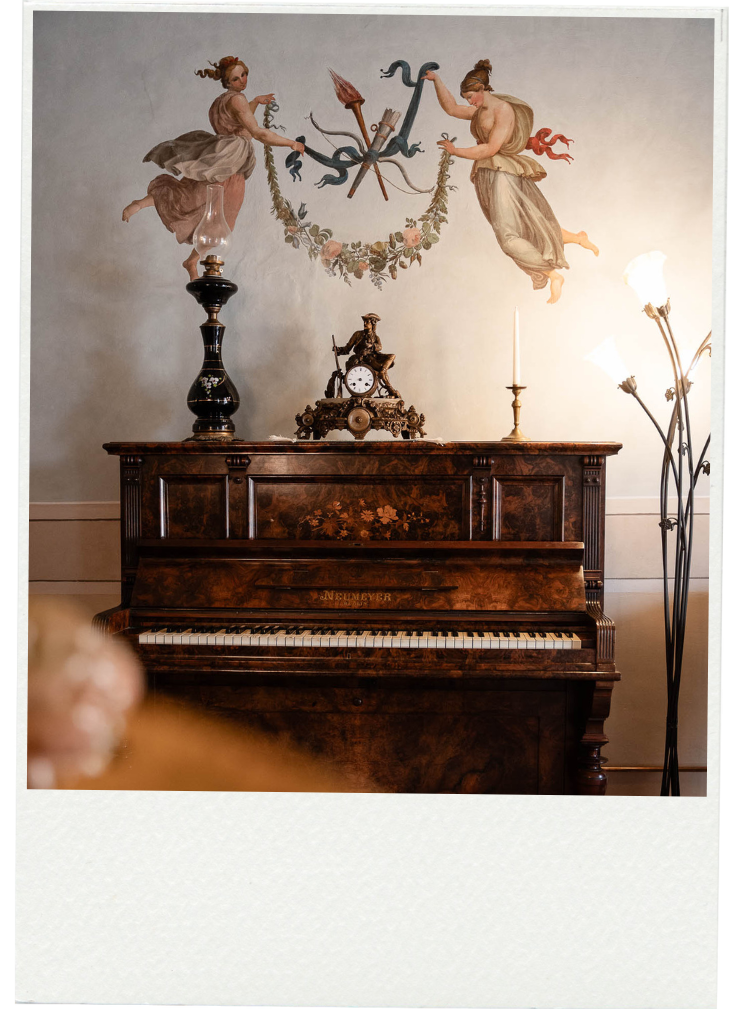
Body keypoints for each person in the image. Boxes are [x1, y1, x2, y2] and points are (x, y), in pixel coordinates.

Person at [425, 60, 598, 304]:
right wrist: (436, 81)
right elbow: (452, 108)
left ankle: (553, 275)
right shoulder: (480, 111)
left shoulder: (503, 110)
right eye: (467, 98)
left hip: (502, 172)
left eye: (471, 96)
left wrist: (456, 151)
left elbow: (491, 148)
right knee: (530, 223)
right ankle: (579, 238)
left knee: (508, 237)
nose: (470, 102)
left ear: (483, 89)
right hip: (489, 173)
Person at [122, 57, 304, 281]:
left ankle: (150, 213)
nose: (242, 81)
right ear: (227, 82)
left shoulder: (221, 101)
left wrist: (256, 102)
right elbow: (256, 133)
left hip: (222, 155)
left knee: (191, 194)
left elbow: (239, 122)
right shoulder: (237, 100)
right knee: (222, 219)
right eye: (235, 79)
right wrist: (291, 144)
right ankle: (190, 258)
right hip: (232, 162)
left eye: (243, 75)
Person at [337, 313, 400, 398]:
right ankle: (390, 389)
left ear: (373, 324)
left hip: (372, 358)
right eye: (364, 321)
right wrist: (339, 350)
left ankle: (383, 372)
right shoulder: (357, 334)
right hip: (361, 358)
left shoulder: (376, 337)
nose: (365, 323)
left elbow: (380, 347)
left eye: (367, 322)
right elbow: (347, 348)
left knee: (392, 356)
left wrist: (372, 346)